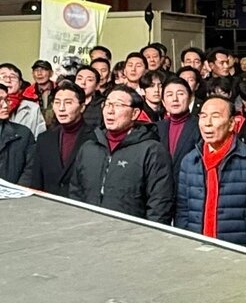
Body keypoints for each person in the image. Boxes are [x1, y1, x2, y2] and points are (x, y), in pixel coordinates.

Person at [68, 84, 174, 223]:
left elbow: (160, 203)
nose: (110, 111)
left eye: (118, 105)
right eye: (107, 104)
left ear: (135, 113)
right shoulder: (89, 147)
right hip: (89, 230)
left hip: (131, 236)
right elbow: (76, 192)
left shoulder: (151, 150)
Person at [173, 93, 246, 246]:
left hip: (239, 249)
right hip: (196, 248)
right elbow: (183, 211)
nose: (207, 123)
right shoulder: (190, 161)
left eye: (215, 116)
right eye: (203, 117)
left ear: (231, 124)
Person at [19, 81, 91, 195]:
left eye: (68, 103)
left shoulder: (94, 138)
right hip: (48, 207)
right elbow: (36, 182)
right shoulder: (44, 139)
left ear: (82, 107)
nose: (61, 108)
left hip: (79, 207)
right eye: (57, 102)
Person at [158, 77, 201, 168]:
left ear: (189, 99)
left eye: (180, 94)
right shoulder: (157, 128)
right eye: (169, 95)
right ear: (163, 102)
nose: (175, 99)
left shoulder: (200, 126)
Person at [0, 63, 46, 140]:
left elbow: (41, 139)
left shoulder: (32, 108)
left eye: (13, 77)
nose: (8, 80)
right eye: (3, 76)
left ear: (20, 83)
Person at [0, 89, 36, 184]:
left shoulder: (23, 133)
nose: (5, 105)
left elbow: (31, 169)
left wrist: (17, 192)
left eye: (7, 100)